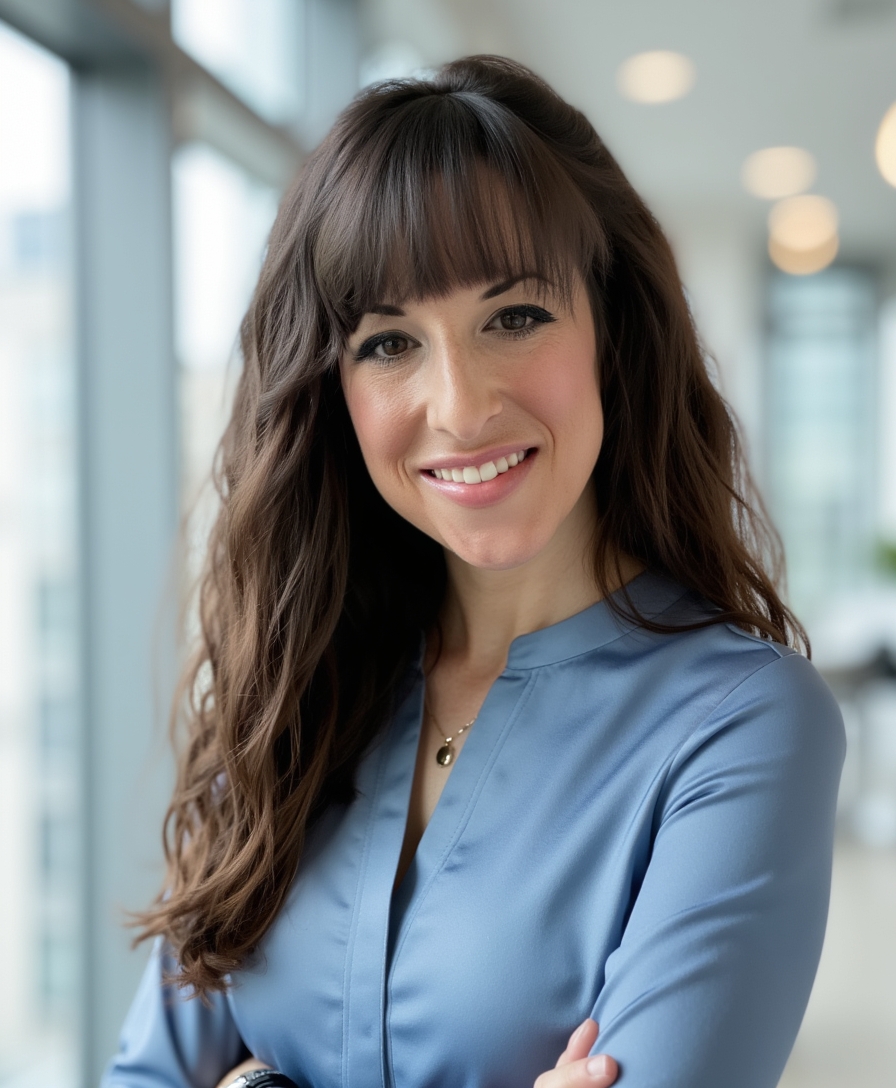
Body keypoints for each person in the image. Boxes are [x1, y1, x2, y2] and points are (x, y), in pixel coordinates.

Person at [103, 55, 845, 1088]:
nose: (457, 406)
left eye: (514, 316)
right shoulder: (293, 689)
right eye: (388, 341)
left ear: (610, 333)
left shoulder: (739, 725)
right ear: (333, 389)